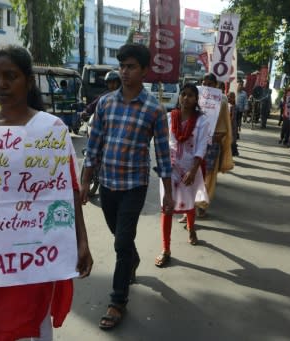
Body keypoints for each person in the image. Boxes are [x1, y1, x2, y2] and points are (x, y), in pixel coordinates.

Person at [0, 44, 93, 340]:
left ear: (28, 81)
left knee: (30, 329)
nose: (1, 84)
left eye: (10, 76)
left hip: (38, 255)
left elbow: (68, 191)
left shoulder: (51, 129)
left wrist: (81, 241)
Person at [80, 43, 174, 330]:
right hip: (107, 184)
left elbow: (163, 153)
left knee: (121, 241)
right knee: (119, 236)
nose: (124, 72)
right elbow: (93, 145)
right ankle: (132, 258)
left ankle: (117, 301)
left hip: (134, 185)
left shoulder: (155, 110)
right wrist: (85, 180)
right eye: (122, 66)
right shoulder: (106, 103)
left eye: (131, 66)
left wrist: (169, 191)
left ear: (144, 71)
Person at [155, 84, 210, 267]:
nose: (186, 98)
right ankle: (166, 249)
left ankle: (191, 228)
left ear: (196, 99)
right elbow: (162, 142)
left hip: (189, 168)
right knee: (167, 207)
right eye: (183, 94)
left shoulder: (202, 121)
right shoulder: (170, 118)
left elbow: (201, 147)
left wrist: (193, 170)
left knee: (188, 203)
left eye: (190, 95)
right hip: (169, 170)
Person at [195, 73, 234, 218]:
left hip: (213, 142)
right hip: (196, 140)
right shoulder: (196, 96)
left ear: (216, 85)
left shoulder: (222, 101)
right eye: (204, 83)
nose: (206, 87)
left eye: (210, 84)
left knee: (209, 175)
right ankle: (189, 208)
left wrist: (220, 136)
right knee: (193, 172)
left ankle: (203, 205)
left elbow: (225, 125)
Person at [228, 91, 239, 156]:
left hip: (232, 126)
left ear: (234, 98)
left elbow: (232, 117)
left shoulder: (233, 107)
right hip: (230, 125)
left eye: (231, 97)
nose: (229, 98)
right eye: (228, 96)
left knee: (231, 141)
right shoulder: (226, 105)